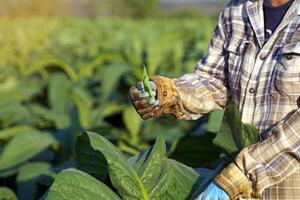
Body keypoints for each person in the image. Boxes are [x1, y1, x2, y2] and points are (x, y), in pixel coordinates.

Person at [130, 0, 300, 199]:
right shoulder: (236, 11)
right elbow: (214, 80)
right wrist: (169, 93)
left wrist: (240, 176)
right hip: (236, 184)